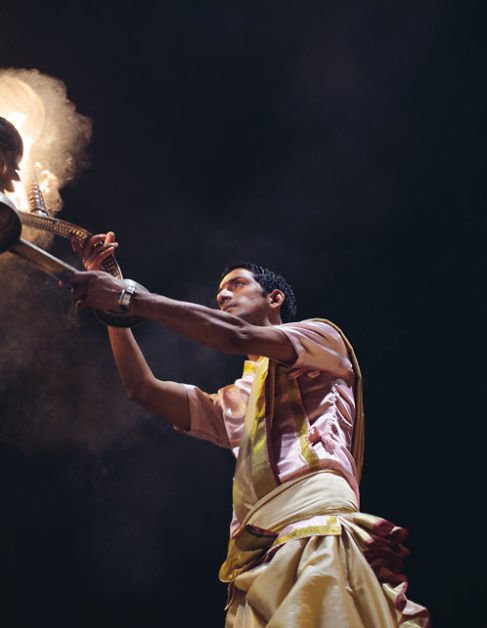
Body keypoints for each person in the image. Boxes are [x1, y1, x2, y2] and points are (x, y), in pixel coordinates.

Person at [64, 232, 430, 627]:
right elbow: (142, 389)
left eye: (236, 285)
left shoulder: (323, 338)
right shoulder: (236, 399)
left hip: (312, 525)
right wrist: (114, 311)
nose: (222, 296)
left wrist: (127, 297)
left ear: (274, 298)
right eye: (220, 292)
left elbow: (234, 337)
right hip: (255, 555)